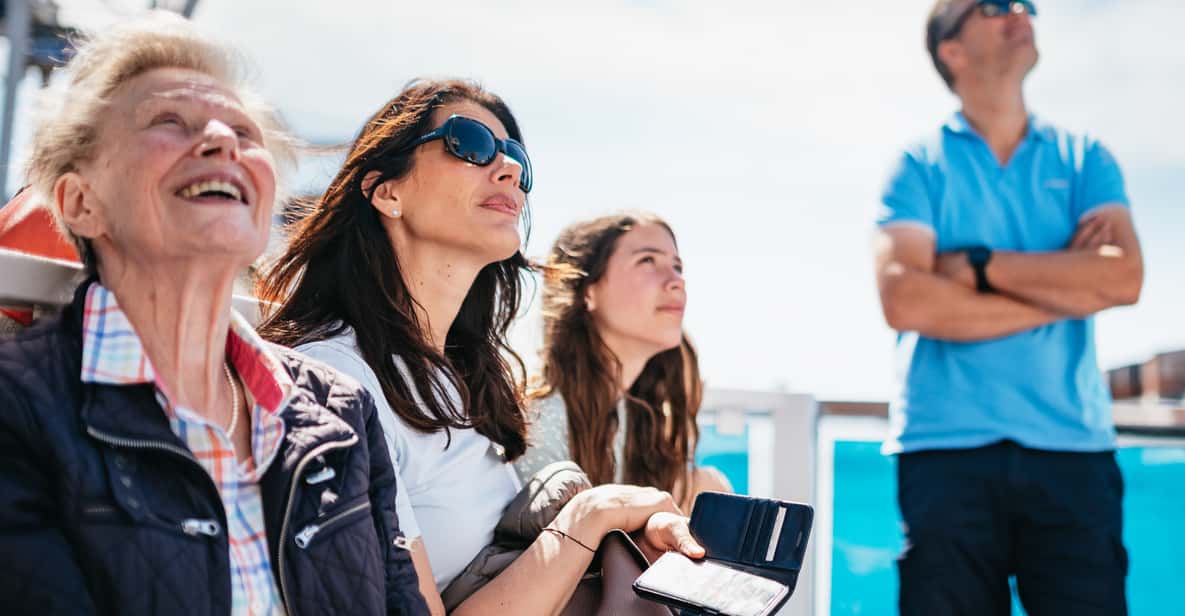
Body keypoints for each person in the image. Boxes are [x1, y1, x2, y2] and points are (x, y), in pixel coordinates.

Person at [0, 14, 427, 615]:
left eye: (244, 132)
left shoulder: (340, 411)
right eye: (169, 122)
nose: (223, 141)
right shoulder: (18, 408)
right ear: (80, 203)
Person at [257, 79, 705, 615]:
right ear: (387, 192)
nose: (510, 169)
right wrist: (591, 516)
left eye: (517, 157)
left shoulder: (458, 378)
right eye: (469, 143)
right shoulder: (337, 379)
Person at [874, 1, 1143, 614]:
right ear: (952, 49)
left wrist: (977, 267)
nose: (1020, 12)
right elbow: (905, 297)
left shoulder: (1085, 158)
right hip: (944, 453)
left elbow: (1124, 278)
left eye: (1027, 5)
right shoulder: (917, 165)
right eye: (995, 6)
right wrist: (1071, 289)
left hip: (1074, 452)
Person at [514, 211, 731, 511]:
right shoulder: (541, 420)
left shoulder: (639, 417)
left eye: (677, 266)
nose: (676, 281)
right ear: (588, 290)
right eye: (647, 261)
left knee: (709, 487)